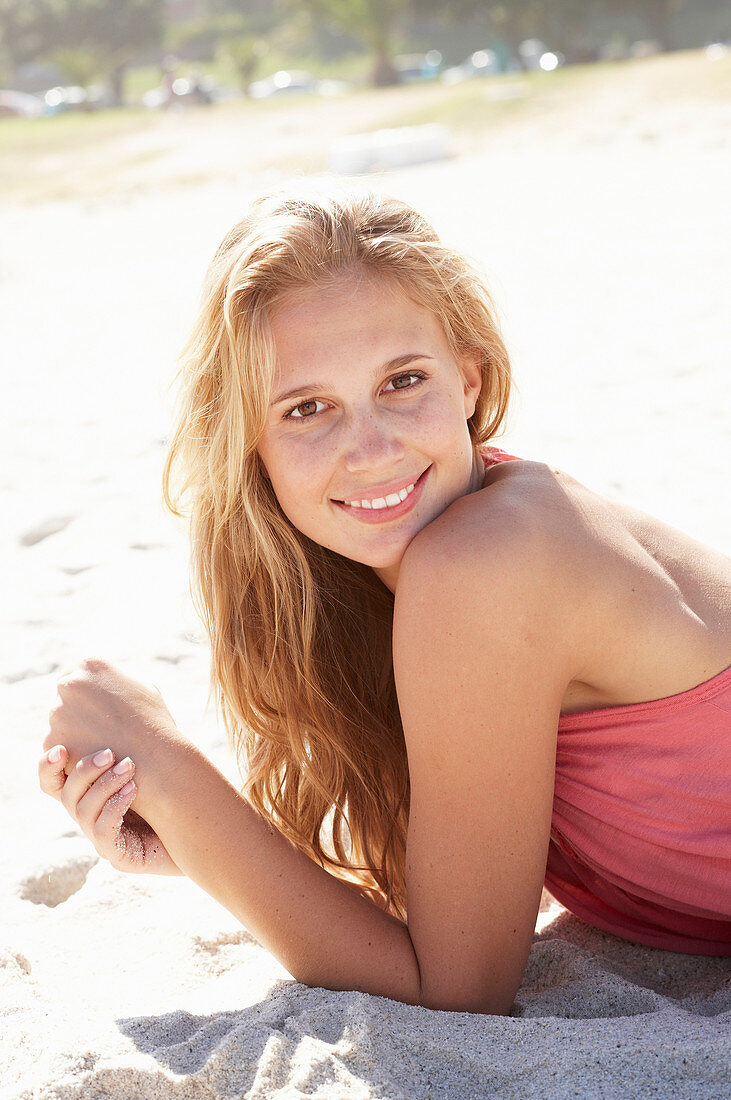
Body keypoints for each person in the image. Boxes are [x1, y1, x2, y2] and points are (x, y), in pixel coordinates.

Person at [38, 182, 731, 1016]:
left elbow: (458, 990)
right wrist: (192, 846)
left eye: (403, 381)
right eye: (306, 408)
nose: (371, 449)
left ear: (468, 380)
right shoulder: (424, 572)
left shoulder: (484, 563)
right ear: (248, 444)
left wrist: (173, 775)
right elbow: (439, 897)